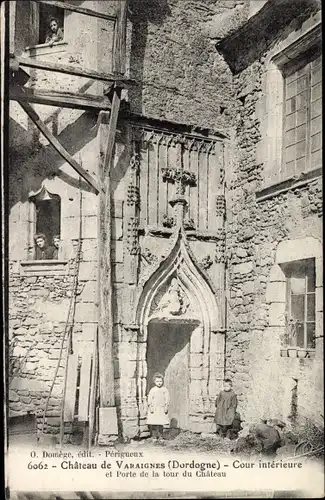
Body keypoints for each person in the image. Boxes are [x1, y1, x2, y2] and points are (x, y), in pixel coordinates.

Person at [147, 373, 170, 442]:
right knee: (154, 423)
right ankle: (154, 437)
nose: (159, 383)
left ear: (162, 381)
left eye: (160, 381)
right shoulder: (153, 390)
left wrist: (166, 406)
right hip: (154, 409)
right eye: (157, 381)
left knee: (160, 424)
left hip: (161, 408)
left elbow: (167, 398)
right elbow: (150, 399)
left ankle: (161, 437)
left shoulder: (164, 390)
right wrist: (150, 406)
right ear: (154, 382)